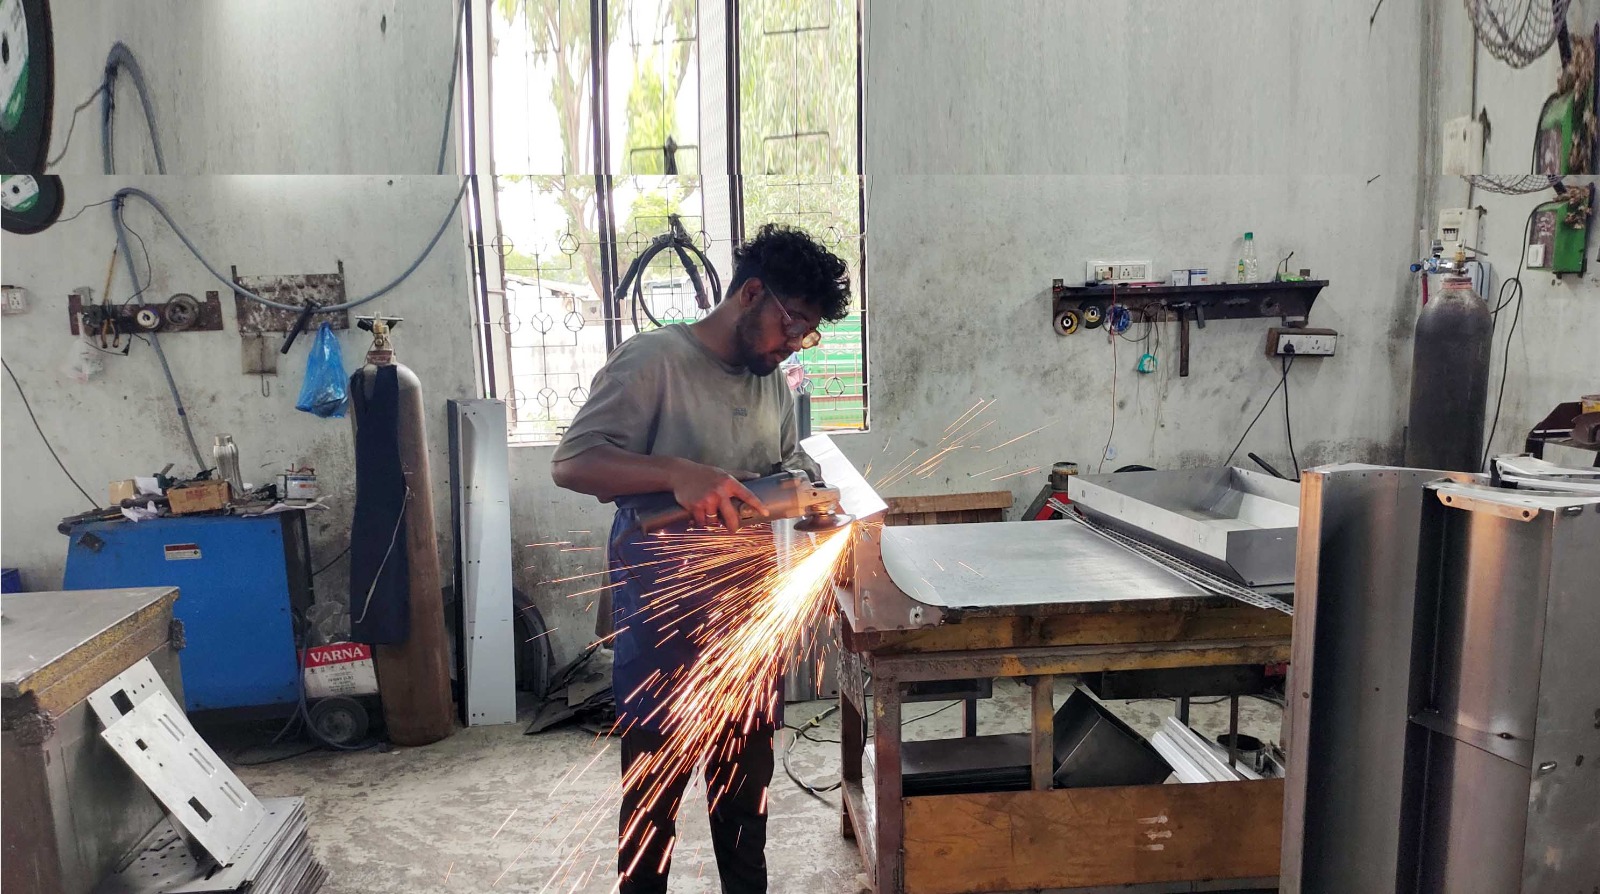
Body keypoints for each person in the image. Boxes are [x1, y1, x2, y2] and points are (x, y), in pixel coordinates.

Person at [550, 224, 852, 894]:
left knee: (745, 804)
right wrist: (677, 473)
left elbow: (785, 464)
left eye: (807, 334)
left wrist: (815, 498)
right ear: (751, 294)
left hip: (747, 622)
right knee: (652, 810)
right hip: (664, 622)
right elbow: (573, 463)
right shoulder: (652, 361)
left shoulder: (769, 380)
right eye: (793, 324)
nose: (795, 343)